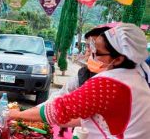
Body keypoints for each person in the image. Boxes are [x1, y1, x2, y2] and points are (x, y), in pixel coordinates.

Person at [10, 23, 150, 138]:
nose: (92, 55)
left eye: (98, 52)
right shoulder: (136, 77)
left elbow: (59, 110)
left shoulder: (109, 83)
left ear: (118, 59)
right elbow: (83, 114)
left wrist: (17, 115)